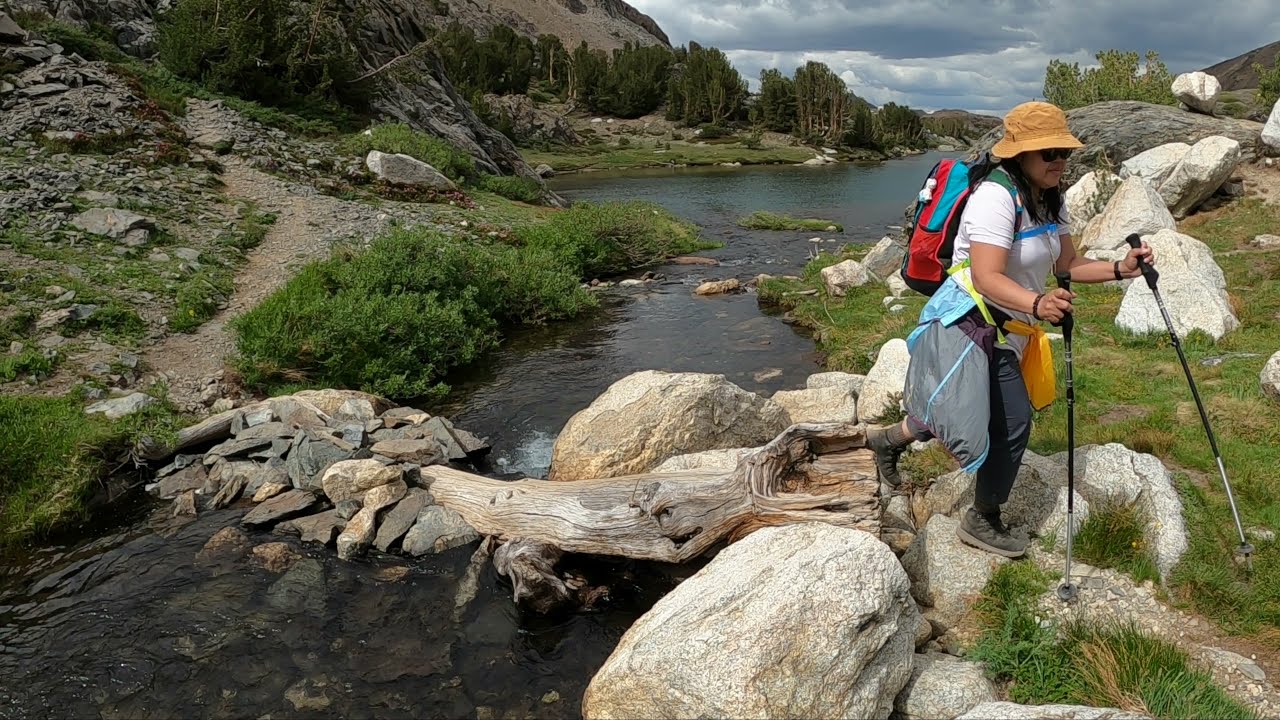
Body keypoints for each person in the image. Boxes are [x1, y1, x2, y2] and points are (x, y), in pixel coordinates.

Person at [866, 101, 1157, 558]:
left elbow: (1069, 264)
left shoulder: (1049, 199)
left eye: (1062, 150)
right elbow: (986, 277)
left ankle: (886, 440)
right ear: (1020, 155)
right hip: (970, 322)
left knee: (959, 404)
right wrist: (1039, 303)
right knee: (1012, 420)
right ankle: (982, 518)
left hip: (1013, 322)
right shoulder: (996, 198)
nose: (1058, 160)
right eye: (1048, 153)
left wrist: (1121, 269)